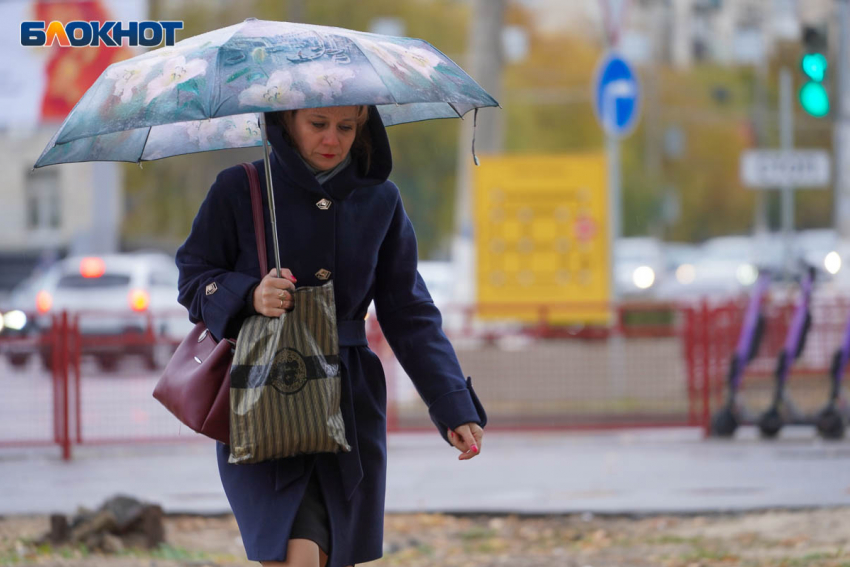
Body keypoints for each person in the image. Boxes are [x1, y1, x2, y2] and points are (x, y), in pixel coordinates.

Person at [175, 104, 488, 567]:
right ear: (287, 122)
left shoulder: (381, 199)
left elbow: (410, 313)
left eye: (346, 127)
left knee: (327, 554)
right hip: (266, 398)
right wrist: (248, 296)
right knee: (294, 552)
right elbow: (193, 279)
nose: (332, 139)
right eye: (317, 125)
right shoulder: (240, 188)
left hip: (348, 409)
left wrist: (452, 404)